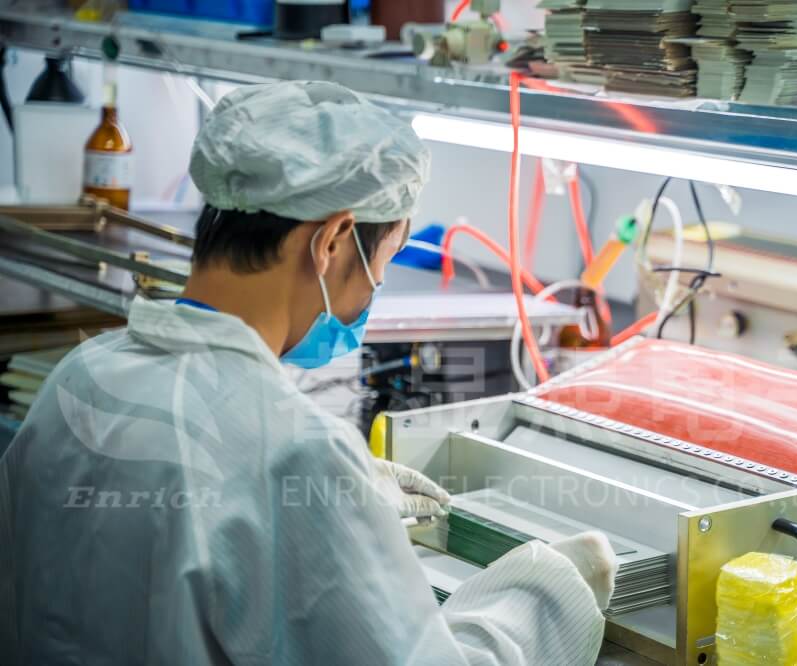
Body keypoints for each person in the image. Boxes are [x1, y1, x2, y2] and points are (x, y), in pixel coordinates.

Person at [0, 81, 617, 665]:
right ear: (332, 241)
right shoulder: (293, 452)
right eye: (385, 260)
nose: (375, 287)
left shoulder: (81, 376)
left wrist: (347, 502)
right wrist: (547, 590)